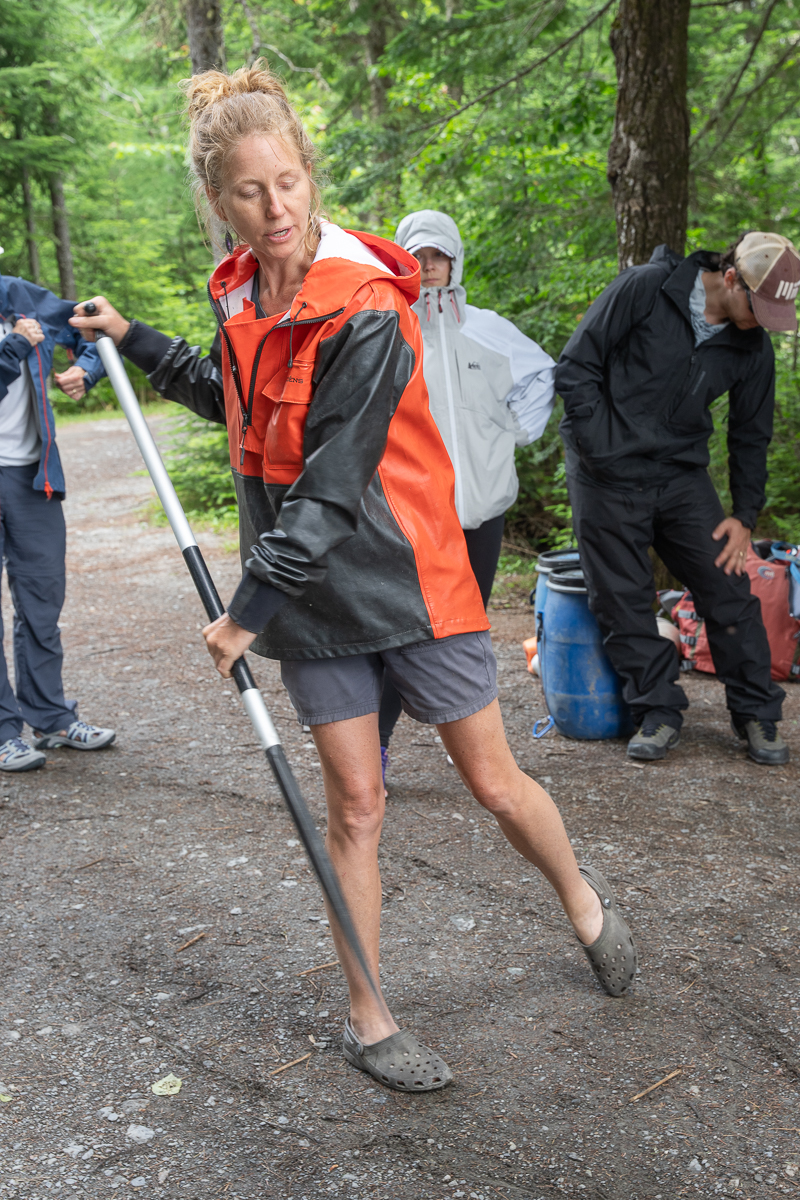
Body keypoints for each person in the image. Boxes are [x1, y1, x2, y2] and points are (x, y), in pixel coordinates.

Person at [73, 62, 637, 1093]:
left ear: (309, 173)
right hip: (313, 601)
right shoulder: (240, 294)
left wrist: (247, 609)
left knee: (493, 784)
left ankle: (581, 897)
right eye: (249, 191)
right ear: (219, 201)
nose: (275, 208)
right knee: (357, 806)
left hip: (407, 579)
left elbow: (333, 481)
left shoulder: (367, 303)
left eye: (287, 182)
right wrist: (133, 338)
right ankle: (369, 1016)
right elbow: (233, 397)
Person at [556, 232, 800, 765]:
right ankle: (657, 711)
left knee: (728, 586)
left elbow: (750, 435)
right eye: (759, 307)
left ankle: (756, 713)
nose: (762, 322)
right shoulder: (646, 289)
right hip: (604, 474)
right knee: (622, 598)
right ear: (731, 277)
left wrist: (745, 515)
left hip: (679, 477)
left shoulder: (752, 346)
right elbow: (576, 366)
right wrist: (598, 447)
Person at [376, 210, 556, 785]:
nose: (429, 266)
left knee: (467, 633)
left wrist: (513, 430)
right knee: (400, 634)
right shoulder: (388, 330)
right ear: (403, 261)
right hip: (412, 517)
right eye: (419, 256)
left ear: (455, 261)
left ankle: (475, 751)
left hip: (480, 513)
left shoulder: (487, 329)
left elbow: (542, 375)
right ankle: (373, 751)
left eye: (439, 255)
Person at [0, 263, 116, 772]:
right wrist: (14, 348)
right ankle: (3, 733)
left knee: (42, 601)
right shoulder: (17, 330)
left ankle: (50, 718)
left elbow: (96, 325)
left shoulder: (18, 297)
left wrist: (86, 370)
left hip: (33, 475)